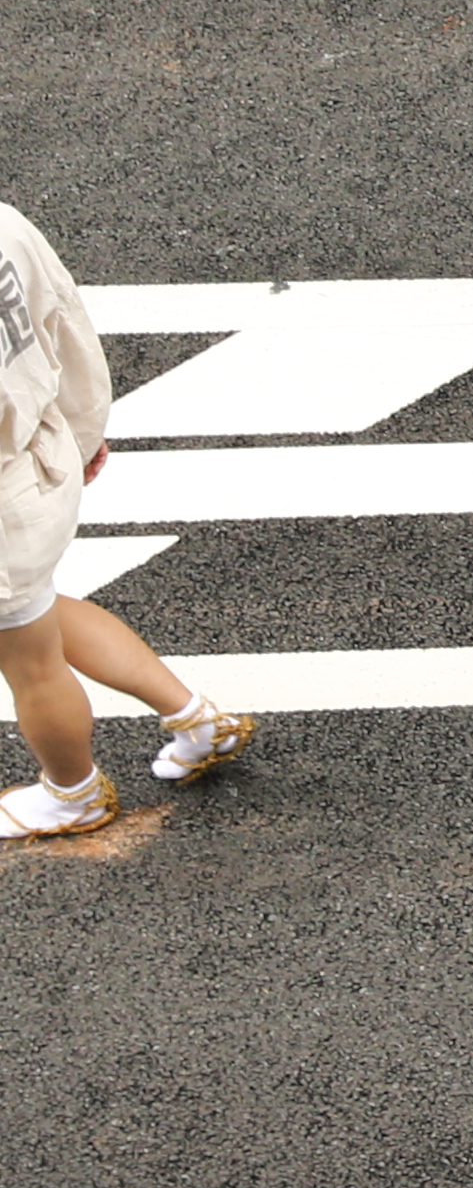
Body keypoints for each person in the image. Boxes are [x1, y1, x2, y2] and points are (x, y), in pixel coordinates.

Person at [0, 194, 252, 840]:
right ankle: (196, 718)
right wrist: (83, 432)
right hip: (40, 459)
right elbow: (63, 319)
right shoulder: (4, 223)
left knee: (30, 664)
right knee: (39, 615)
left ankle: (74, 793)